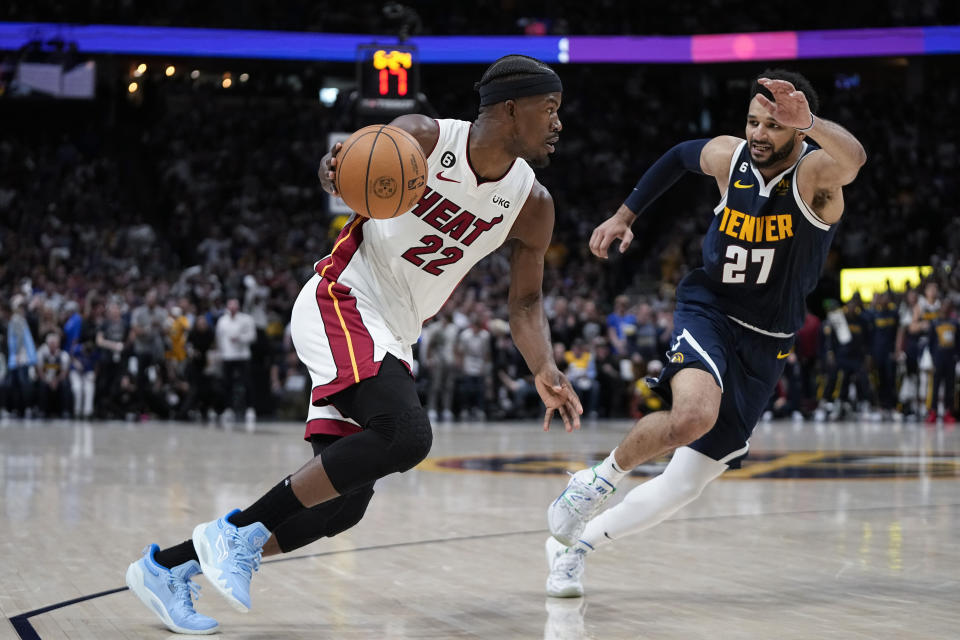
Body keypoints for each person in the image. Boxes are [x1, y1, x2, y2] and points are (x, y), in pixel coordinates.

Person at [126, 53, 582, 634]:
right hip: (343, 299)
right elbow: (346, 165)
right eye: (551, 109)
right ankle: (232, 536)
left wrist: (543, 366)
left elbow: (524, 304)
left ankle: (167, 569)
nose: (559, 123)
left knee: (340, 506)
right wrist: (333, 168)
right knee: (407, 434)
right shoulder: (421, 137)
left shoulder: (532, 203)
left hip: (395, 330)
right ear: (512, 110)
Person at [544, 69, 866, 598]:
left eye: (775, 125)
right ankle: (594, 482)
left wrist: (811, 123)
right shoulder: (729, 157)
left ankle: (573, 550)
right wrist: (626, 215)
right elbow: (676, 157)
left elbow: (854, 160)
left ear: (800, 131)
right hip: (710, 309)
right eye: (753, 121)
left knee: (684, 485)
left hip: (768, 339)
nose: (760, 134)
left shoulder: (815, 179)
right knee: (693, 414)